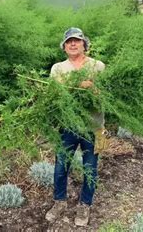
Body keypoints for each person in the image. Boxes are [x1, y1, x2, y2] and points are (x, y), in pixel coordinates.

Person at [45, 27, 105, 227]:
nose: (73, 44)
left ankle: (84, 206)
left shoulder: (98, 67)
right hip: (67, 127)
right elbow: (56, 96)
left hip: (94, 127)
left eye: (77, 40)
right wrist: (78, 86)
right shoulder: (58, 69)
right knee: (61, 166)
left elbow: (109, 97)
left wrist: (94, 89)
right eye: (69, 41)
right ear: (64, 46)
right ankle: (59, 202)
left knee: (91, 168)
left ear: (84, 44)